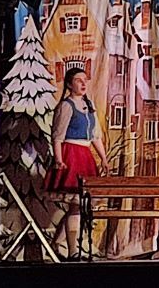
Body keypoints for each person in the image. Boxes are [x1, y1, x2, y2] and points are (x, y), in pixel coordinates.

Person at [43, 67, 110, 260]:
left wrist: (104, 158)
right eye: (78, 80)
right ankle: (72, 250)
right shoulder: (66, 106)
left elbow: (95, 136)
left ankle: (57, 244)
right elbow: (57, 136)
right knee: (76, 205)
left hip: (85, 156)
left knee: (78, 206)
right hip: (71, 155)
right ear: (69, 84)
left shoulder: (89, 105)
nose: (83, 83)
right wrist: (59, 160)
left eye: (85, 80)